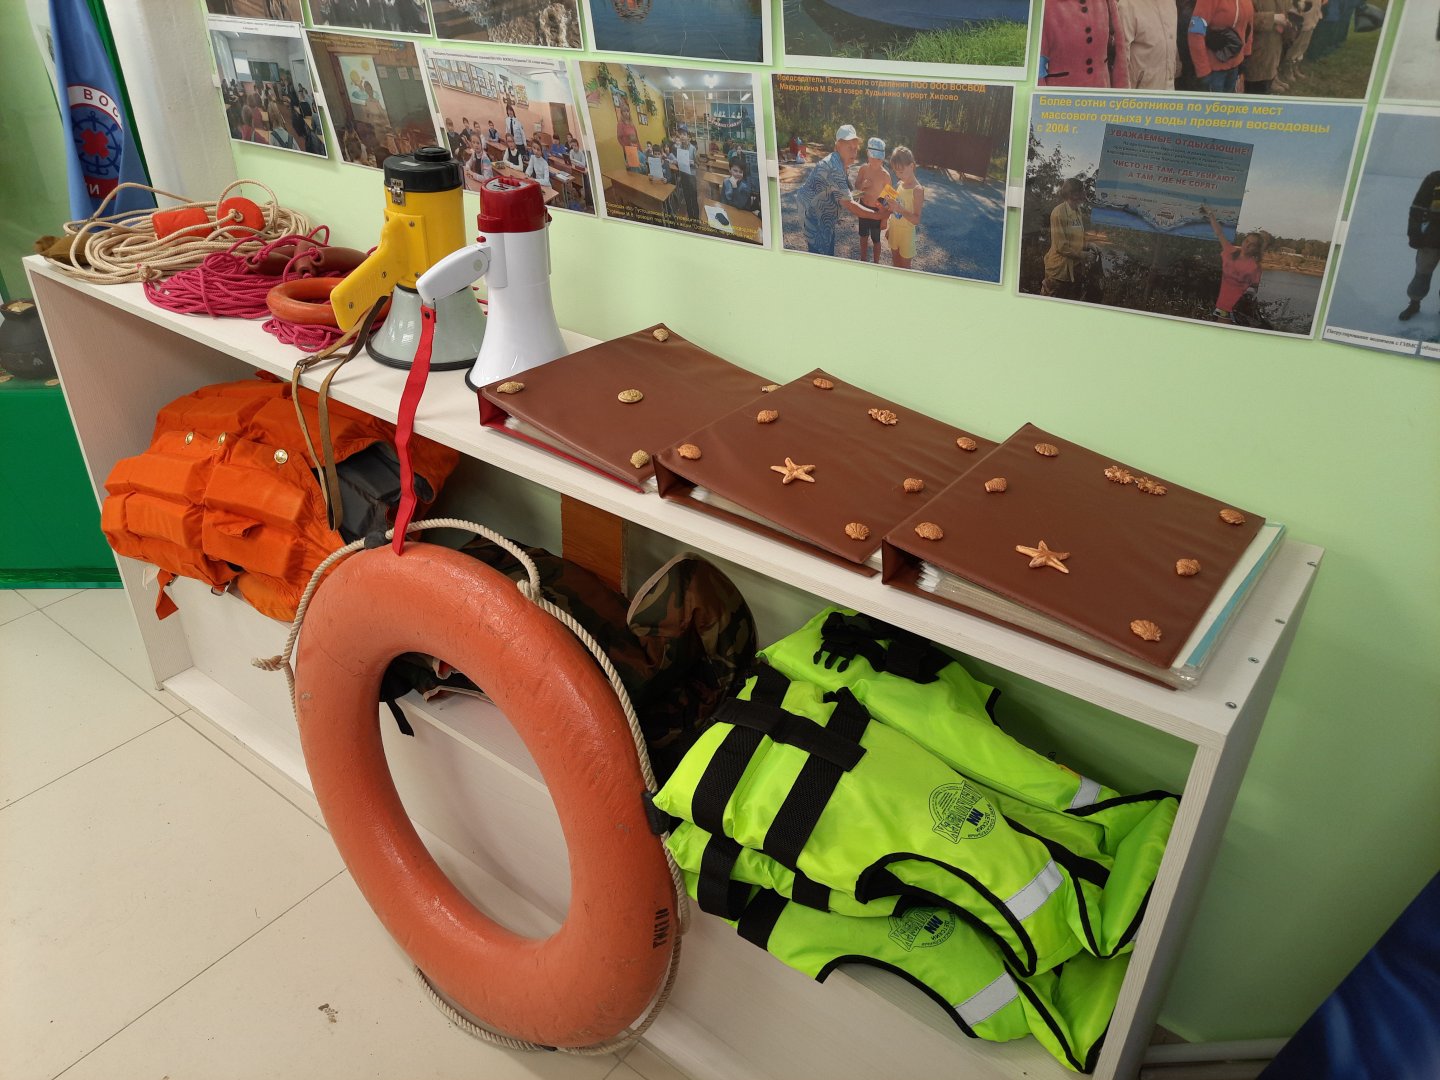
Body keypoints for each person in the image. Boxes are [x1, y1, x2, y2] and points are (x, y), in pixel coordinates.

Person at [797, 124, 886, 257]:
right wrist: (879, 215)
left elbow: (848, 194)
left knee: (828, 245)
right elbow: (849, 204)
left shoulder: (842, 163)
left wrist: (864, 192)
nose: (854, 152)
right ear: (838, 146)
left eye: (855, 148)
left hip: (824, 213)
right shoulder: (834, 167)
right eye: (849, 147)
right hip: (813, 215)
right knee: (821, 255)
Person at [1039, 0, 1130, 87]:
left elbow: (1119, 50)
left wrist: (1122, 93)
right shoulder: (1045, 5)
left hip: (1102, 92)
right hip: (1061, 95)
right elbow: (1036, 70)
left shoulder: (1106, 2)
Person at [1202, 206, 1268, 321]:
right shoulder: (1230, 252)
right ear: (1243, 240)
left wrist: (1247, 297)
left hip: (1236, 311)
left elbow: (1253, 290)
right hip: (1220, 305)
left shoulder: (1255, 267)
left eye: (1252, 244)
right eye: (1247, 241)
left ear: (1256, 249)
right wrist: (1210, 214)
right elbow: (1219, 233)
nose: (1248, 245)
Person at [1187, 0, 1255, 92]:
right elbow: (1195, 33)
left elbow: (1249, 25)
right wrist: (1203, 70)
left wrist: (1246, 54)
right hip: (1214, 71)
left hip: (1235, 66)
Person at [1399, 168, 1440, 321]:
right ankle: (1414, 303)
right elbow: (1417, 208)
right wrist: (1414, 233)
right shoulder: (1434, 178)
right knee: (1422, 273)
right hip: (1430, 239)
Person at [1117, 0, 1181, 88]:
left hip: (1169, 89)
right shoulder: (1128, 4)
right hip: (1141, 92)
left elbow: (1171, 40)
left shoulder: (1170, 2)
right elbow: (1121, 55)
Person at [1042, 178, 1089, 298]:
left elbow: (1076, 237)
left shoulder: (1077, 211)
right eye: (1081, 191)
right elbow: (1061, 247)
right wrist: (1083, 255)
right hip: (1058, 271)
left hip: (1073, 270)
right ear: (1073, 194)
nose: (1084, 193)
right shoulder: (1058, 213)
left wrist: (1089, 245)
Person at [884, 146, 926, 270]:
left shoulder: (918, 190)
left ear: (912, 166)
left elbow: (916, 220)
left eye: (901, 172)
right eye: (896, 171)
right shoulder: (899, 184)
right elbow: (893, 210)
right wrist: (887, 205)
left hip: (906, 236)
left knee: (905, 269)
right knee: (895, 264)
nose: (898, 175)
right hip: (894, 231)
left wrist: (900, 209)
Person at [855, 137, 892, 264]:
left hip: (877, 211)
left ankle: (876, 263)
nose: (876, 161)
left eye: (879, 159)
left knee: (876, 239)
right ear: (867, 154)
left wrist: (885, 218)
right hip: (863, 207)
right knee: (863, 236)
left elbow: (888, 199)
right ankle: (863, 260)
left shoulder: (885, 175)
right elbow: (856, 187)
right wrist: (862, 186)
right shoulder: (863, 169)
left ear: (883, 158)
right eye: (873, 157)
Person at [1244, 0, 1288, 92]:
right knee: (1255, 91)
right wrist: (1273, 18)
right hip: (1256, 57)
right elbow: (1242, 19)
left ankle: (1273, 79)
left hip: (1272, 52)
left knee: (1265, 86)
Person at [673, 130, 699, 221]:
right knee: (687, 198)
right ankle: (690, 218)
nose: (682, 136)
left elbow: (697, 164)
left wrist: (692, 163)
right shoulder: (679, 148)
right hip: (683, 175)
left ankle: (696, 219)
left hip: (691, 176)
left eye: (684, 134)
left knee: (693, 198)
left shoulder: (693, 148)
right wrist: (676, 162)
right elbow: (679, 163)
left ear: (688, 137)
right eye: (681, 134)